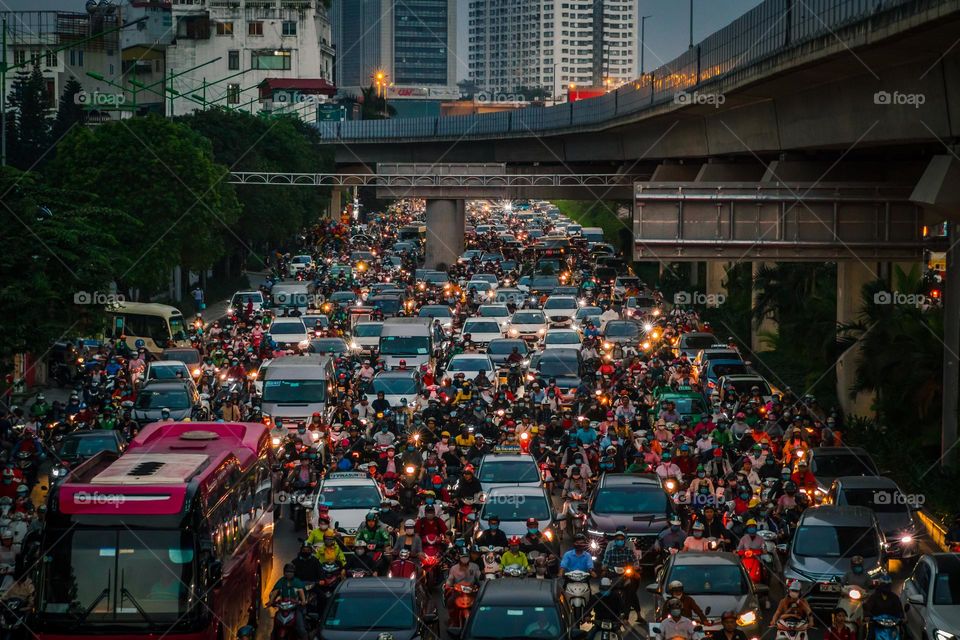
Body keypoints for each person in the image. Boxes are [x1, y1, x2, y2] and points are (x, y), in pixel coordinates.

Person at [269, 563, 307, 640]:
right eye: (287, 571)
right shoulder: (281, 581)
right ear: (284, 572)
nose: (289, 573)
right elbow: (275, 591)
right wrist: (271, 601)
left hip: (295, 608)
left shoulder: (297, 582)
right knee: (274, 629)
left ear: (294, 573)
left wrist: (303, 601)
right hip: (283, 608)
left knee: (301, 630)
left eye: (291, 572)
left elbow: (301, 591)